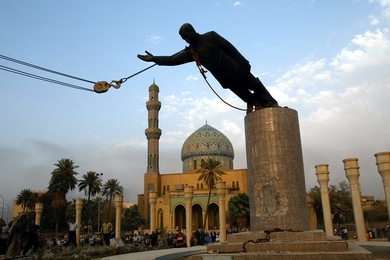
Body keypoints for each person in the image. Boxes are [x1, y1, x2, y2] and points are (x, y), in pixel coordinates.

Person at [138, 23, 278, 112]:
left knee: (254, 84)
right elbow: (173, 60)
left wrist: (244, 61)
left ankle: (270, 102)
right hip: (225, 78)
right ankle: (258, 105)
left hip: (236, 68)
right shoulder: (192, 52)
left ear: (193, 31)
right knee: (243, 93)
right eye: (183, 38)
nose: (186, 39)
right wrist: (155, 59)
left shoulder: (210, 36)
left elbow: (229, 48)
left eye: (187, 35)